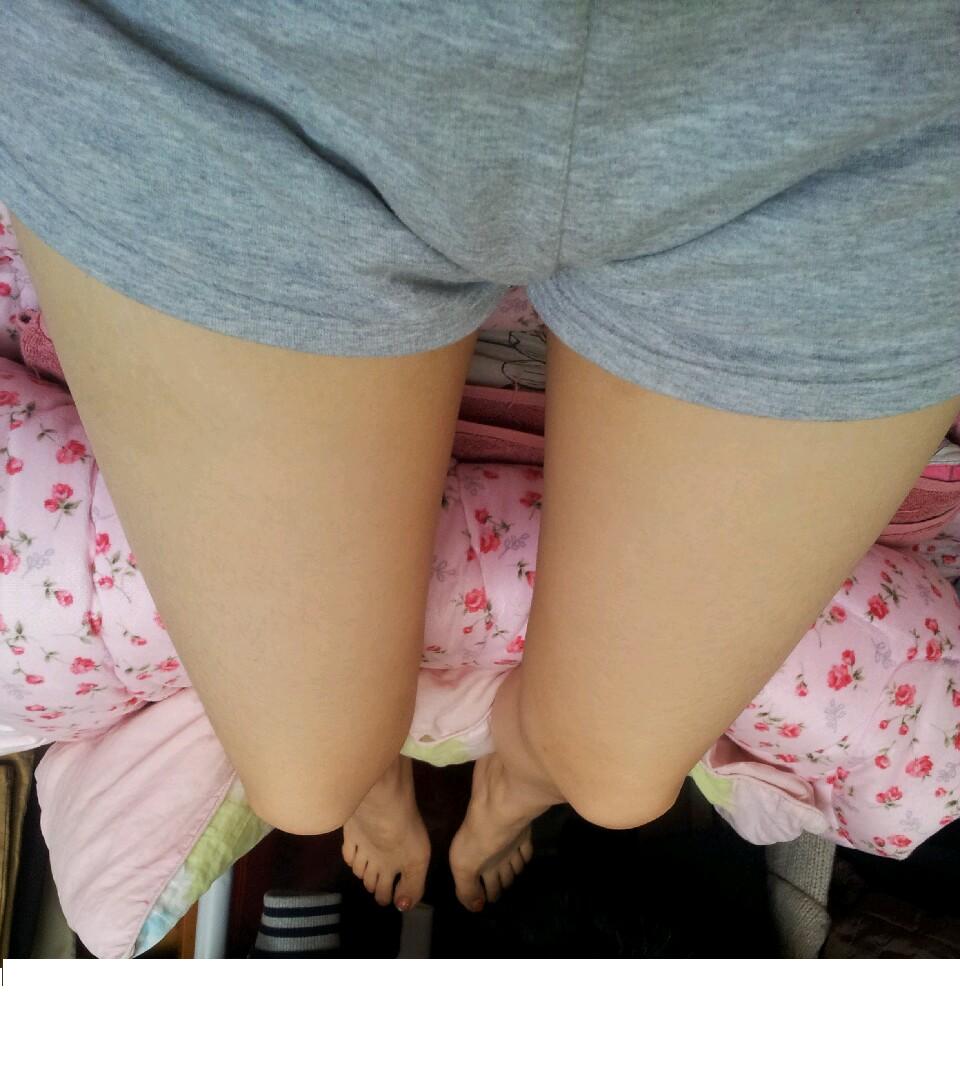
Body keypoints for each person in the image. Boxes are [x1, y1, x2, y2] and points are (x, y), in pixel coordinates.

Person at [4, 2, 957, 917]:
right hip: (228, 58)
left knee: (614, 783)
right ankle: (390, 784)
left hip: (858, 104)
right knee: (306, 784)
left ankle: (508, 787)